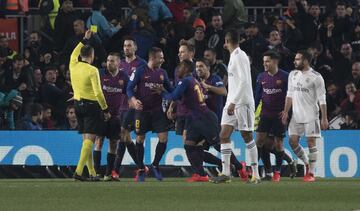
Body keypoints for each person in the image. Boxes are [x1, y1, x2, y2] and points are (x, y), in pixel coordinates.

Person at [211, 29, 260, 184]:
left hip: (242, 102)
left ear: (226, 41)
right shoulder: (233, 56)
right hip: (231, 101)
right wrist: (230, 101)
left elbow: (245, 81)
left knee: (247, 136)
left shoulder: (240, 56)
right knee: (223, 135)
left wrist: (234, 101)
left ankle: (256, 174)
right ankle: (226, 173)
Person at [159, 60, 220, 182]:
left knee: (218, 145)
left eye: (180, 67)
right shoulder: (191, 80)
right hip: (194, 118)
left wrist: (162, 92)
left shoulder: (187, 80)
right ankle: (201, 174)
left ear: (186, 69)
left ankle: (238, 166)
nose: (177, 69)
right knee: (189, 145)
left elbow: (174, 96)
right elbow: (178, 94)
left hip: (203, 117)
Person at [281, 50, 328, 182]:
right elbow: (289, 94)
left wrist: (324, 117)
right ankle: (307, 163)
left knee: (311, 142)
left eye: (298, 59)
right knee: (292, 141)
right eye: (295, 59)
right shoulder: (293, 74)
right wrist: (285, 111)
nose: (294, 61)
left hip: (311, 115)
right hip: (296, 115)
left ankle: (311, 174)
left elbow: (322, 99)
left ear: (306, 61)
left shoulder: (316, 77)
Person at [127, 47, 173, 182]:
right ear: (153, 58)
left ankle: (155, 165)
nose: (163, 60)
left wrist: (165, 92)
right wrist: (134, 100)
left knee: (163, 138)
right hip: (142, 112)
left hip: (158, 111)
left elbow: (172, 92)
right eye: (161, 57)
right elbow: (129, 87)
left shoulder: (163, 73)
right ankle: (141, 168)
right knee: (140, 139)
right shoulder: (140, 71)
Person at [70, 30, 111, 181]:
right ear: (92, 56)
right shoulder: (92, 70)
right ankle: (79, 172)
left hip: (77, 105)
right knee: (90, 140)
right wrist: (105, 109)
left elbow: (74, 53)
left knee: (85, 140)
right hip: (91, 106)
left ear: (81, 55)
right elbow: (98, 93)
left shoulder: (73, 64)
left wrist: (84, 39)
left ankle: (93, 173)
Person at [254, 50, 296, 182]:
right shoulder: (261, 77)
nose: (264, 64)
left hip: (279, 115)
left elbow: (291, 96)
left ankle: (277, 172)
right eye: (263, 61)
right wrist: (252, 112)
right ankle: (262, 172)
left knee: (278, 143)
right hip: (265, 114)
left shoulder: (285, 77)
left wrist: (287, 113)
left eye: (267, 61)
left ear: (275, 61)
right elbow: (257, 96)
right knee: (260, 141)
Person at [110, 36, 147, 180]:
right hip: (121, 105)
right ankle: (141, 167)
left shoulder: (141, 64)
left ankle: (116, 171)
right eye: (125, 45)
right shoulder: (119, 64)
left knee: (123, 134)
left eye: (129, 45)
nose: (127, 48)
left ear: (135, 48)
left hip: (134, 105)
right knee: (125, 137)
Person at [93, 52, 129, 181]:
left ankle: (108, 174)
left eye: (112, 61)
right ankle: (97, 173)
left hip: (116, 116)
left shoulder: (124, 76)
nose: (109, 63)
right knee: (99, 140)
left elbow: (128, 93)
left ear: (119, 63)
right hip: (101, 113)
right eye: (108, 60)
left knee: (114, 143)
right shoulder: (100, 74)